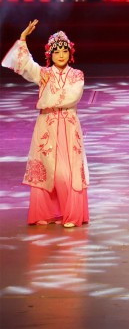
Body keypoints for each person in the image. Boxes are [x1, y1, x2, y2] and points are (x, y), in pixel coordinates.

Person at [2, 21, 89, 227]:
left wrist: (46, 101)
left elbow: (72, 96)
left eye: (64, 51)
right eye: (56, 51)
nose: (61, 55)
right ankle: (45, 212)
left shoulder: (77, 75)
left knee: (67, 171)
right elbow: (26, 65)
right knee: (45, 167)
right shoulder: (44, 74)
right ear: (50, 54)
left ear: (70, 53)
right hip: (47, 125)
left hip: (68, 125)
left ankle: (72, 213)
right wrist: (23, 39)